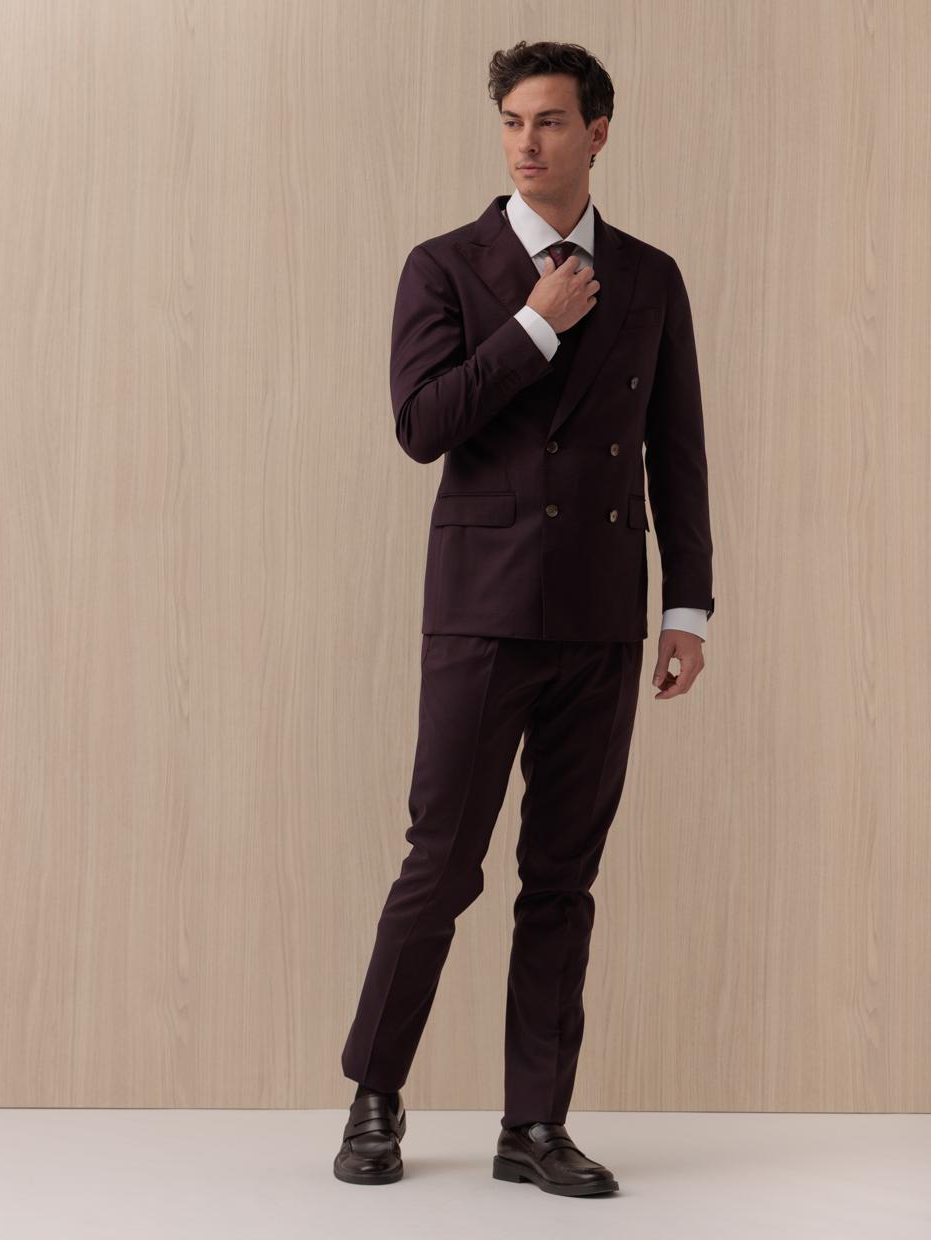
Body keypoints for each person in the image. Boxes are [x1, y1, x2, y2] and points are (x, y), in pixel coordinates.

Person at [333, 39, 714, 1196]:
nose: (525, 143)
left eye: (548, 121)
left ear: (596, 133)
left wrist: (685, 605)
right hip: (481, 611)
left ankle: (533, 1125)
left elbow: (675, 453)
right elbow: (420, 423)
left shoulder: (649, 277)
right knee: (440, 862)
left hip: (600, 616)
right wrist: (535, 325)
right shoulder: (444, 266)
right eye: (510, 121)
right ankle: (374, 1095)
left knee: (561, 878)